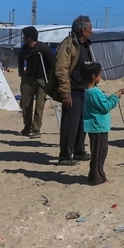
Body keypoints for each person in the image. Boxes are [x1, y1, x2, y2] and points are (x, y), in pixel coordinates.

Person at [47, 15, 95, 166]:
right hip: (72, 92)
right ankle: (65, 156)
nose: (92, 31)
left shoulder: (86, 45)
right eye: (90, 28)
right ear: (83, 29)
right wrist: (65, 93)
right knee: (70, 125)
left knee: (83, 124)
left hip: (85, 91)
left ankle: (79, 152)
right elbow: (61, 71)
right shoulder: (67, 45)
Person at [81, 62, 124, 185]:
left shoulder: (92, 90)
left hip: (97, 126)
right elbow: (106, 106)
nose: (101, 77)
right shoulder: (93, 92)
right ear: (93, 76)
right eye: (99, 75)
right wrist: (116, 97)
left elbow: (104, 99)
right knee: (99, 154)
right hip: (97, 127)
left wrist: (117, 93)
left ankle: (94, 175)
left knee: (100, 152)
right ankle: (98, 177)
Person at [18, 26, 55, 138]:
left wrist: (50, 79)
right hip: (28, 79)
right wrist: (21, 73)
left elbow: (52, 64)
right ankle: (27, 126)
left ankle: (36, 128)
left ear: (30, 38)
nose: (23, 38)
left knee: (39, 105)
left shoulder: (43, 48)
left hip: (42, 79)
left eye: (24, 36)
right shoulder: (24, 49)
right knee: (26, 104)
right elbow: (20, 60)